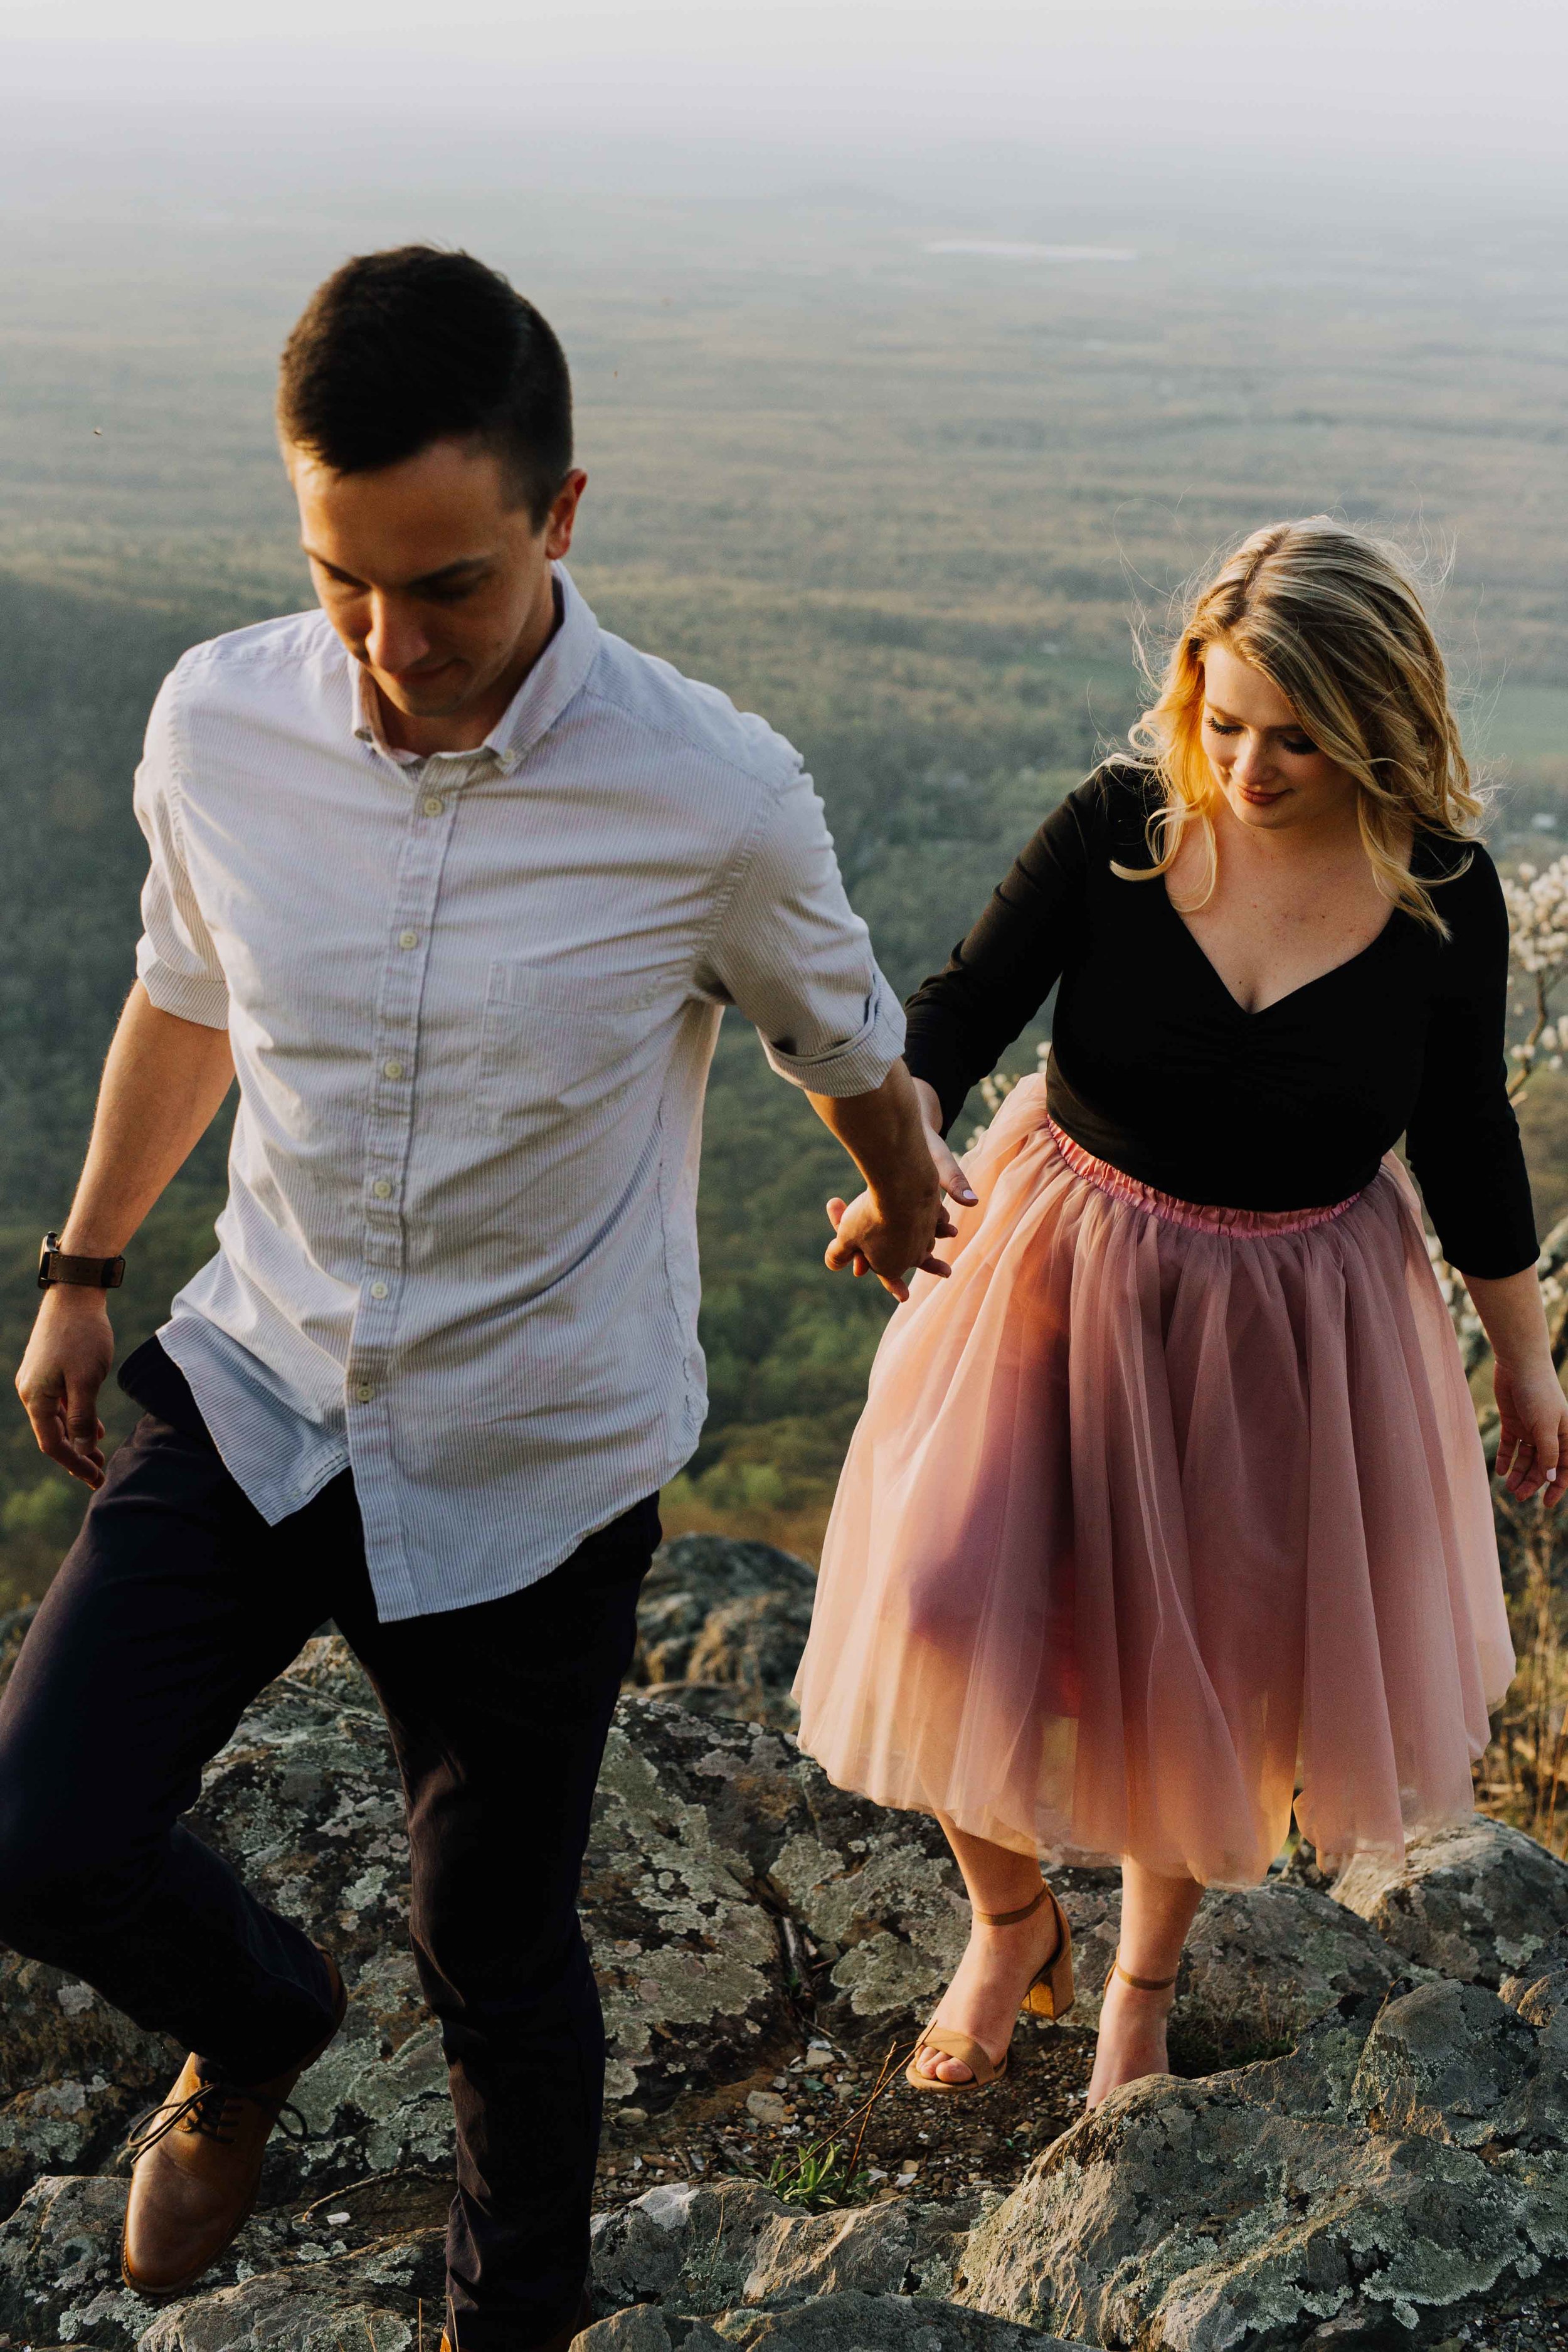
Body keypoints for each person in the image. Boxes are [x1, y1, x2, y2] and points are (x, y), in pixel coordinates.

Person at [0, 247, 943, 2347]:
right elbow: (183, 993)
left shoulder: (712, 792)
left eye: (447, 586)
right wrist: (83, 1270)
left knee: (495, 1944)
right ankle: (256, 2031)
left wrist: (903, 1202)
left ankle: (499, 2323)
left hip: (533, 1455)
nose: (386, 639)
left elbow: (845, 1038)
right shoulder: (220, 720)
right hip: (263, 1381)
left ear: (562, 515)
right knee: (36, 1828)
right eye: (342, 574)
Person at [796, 517, 1562, 2110]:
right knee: (940, 1598)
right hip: (1054, 1270)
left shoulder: (1439, 897)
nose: (1250, 766)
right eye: (1222, 724)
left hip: (1288, 1323)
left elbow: (1470, 1135)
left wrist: (1522, 1360)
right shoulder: (1120, 829)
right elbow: (952, 1010)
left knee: (1199, 1673)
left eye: (1295, 737)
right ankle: (1009, 1924)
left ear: (1377, 726)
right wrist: (902, 1150)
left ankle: (1139, 1988)